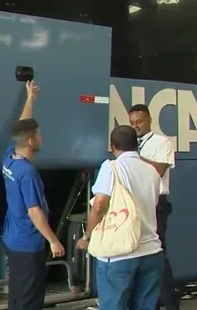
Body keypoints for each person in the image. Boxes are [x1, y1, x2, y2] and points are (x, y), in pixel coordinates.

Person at [78, 125, 164, 310]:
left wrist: (87, 236)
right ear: (136, 145)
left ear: (113, 146)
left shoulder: (111, 167)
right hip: (151, 252)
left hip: (119, 256)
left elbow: (99, 205)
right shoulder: (152, 172)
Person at [1, 80, 66, 310]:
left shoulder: (10, 158)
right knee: (29, 301)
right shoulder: (27, 173)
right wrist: (53, 240)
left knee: (18, 296)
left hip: (13, 240)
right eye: (38, 134)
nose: (41, 137)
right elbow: (34, 211)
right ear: (31, 141)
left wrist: (30, 99)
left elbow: (21, 125)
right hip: (29, 244)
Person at [127, 104, 179, 310]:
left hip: (157, 203)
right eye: (131, 123)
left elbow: (158, 169)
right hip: (136, 204)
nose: (135, 126)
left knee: (158, 254)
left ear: (149, 120)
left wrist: (134, 156)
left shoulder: (162, 142)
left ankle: (170, 303)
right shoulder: (130, 144)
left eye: (139, 122)